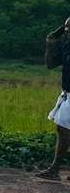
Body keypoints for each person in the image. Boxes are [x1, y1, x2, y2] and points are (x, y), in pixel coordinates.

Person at [37, 16, 70, 180]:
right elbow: (50, 65)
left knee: (63, 130)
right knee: (63, 129)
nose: (68, 32)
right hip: (68, 93)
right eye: (67, 30)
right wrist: (50, 42)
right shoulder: (67, 45)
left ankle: (55, 169)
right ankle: (54, 169)